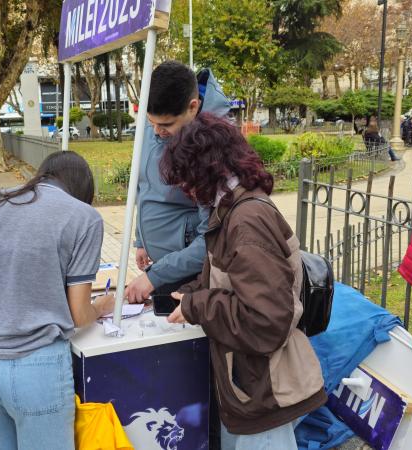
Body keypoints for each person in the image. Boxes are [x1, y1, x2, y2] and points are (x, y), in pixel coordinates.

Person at [161, 113, 327, 450]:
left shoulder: (246, 220)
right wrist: (190, 294)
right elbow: (231, 281)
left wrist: (198, 305)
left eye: (186, 179)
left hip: (265, 391)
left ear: (206, 169)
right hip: (250, 388)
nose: (185, 189)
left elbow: (267, 320)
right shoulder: (231, 209)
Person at [0, 151, 116, 450]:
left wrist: (8, 271)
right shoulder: (84, 217)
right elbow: (79, 314)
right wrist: (103, 306)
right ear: (82, 190)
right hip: (38, 370)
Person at [124, 60, 231, 304]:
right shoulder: (156, 123)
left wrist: (155, 276)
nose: (156, 132)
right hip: (159, 265)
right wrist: (142, 241)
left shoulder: (211, 151)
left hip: (188, 271)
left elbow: (212, 239)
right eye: (150, 123)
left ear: (193, 107)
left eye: (165, 125)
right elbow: (144, 186)